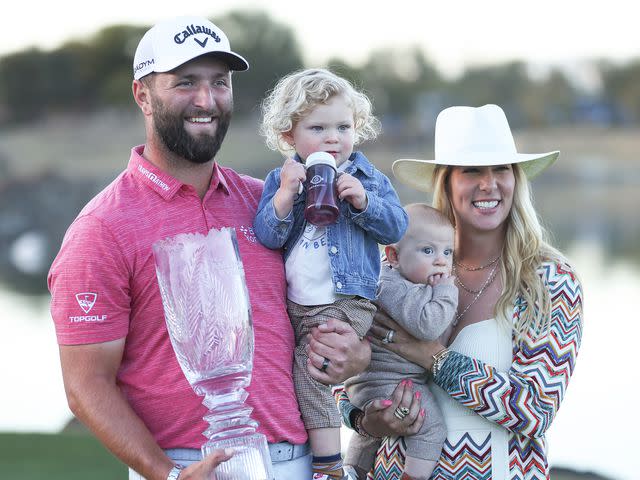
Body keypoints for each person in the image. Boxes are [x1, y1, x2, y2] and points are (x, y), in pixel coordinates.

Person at [48, 16, 370, 480]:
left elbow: (326, 312)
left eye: (219, 83)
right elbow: (85, 385)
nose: (206, 100)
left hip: (303, 462)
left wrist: (355, 356)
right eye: (185, 83)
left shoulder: (271, 203)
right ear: (142, 95)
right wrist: (168, 475)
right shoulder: (101, 229)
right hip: (187, 466)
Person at [335, 104, 584, 480]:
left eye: (501, 168)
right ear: (446, 182)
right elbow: (340, 369)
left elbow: (535, 410)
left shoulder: (549, 279)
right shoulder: (400, 264)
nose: (489, 184)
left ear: (516, 178)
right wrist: (364, 419)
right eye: (471, 171)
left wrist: (435, 359)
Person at [253, 68, 408, 479]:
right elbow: (267, 236)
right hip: (298, 304)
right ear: (290, 136)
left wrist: (363, 204)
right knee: (291, 370)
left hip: (345, 300)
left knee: (312, 371)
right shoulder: (281, 179)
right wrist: (287, 195)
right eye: (317, 128)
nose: (332, 138)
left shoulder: (368, 179)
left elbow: (396, 228)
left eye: (343, 126)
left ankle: (328, 468)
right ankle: (297, 452)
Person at [344, 203, 457, 480]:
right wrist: (446, 292)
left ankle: (353, 469)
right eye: (427, 251)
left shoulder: (402, 282)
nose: (441, 261)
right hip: (389, 384)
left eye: (447, 252)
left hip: (371, 385)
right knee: (430, 429)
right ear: (393, 255)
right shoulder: (391, 285)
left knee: (371, 434)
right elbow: (428, 326)